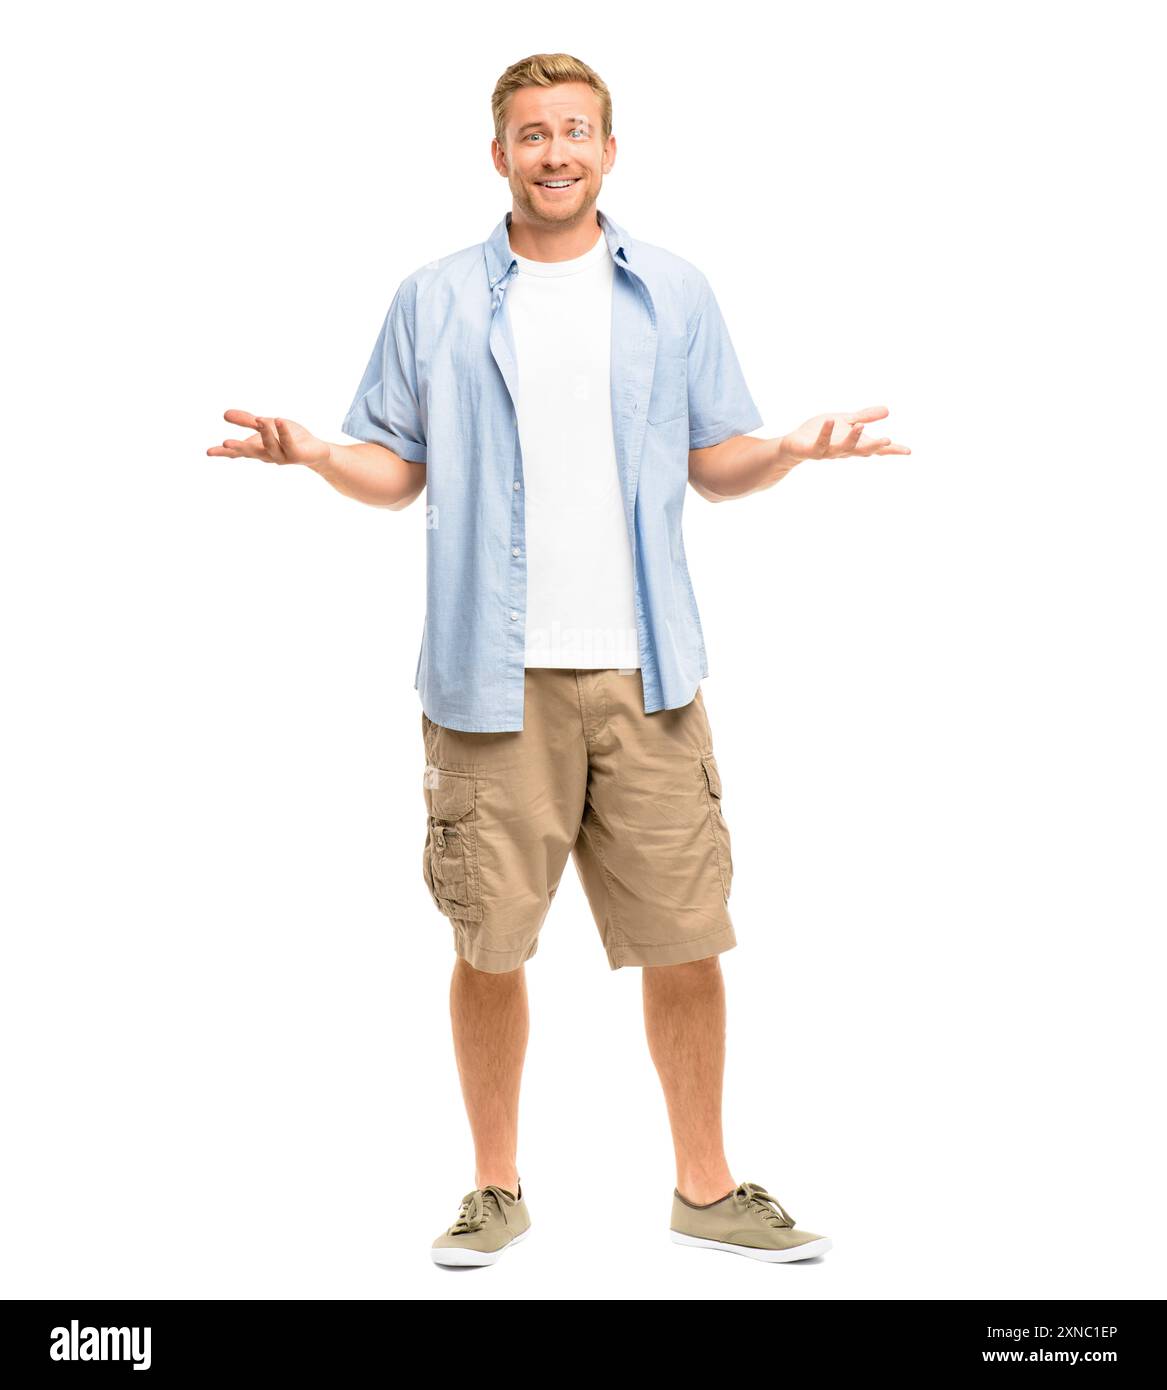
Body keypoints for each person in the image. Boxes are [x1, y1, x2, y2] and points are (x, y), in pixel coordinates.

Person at [208, 51, 910, 1269]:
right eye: (530, 134)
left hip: (650, 677)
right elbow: (396, 469)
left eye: (575, 131)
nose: (555, 153)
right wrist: (319, 455)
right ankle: (494, 1188)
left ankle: (706, 1187)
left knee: (686, 934)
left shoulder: (674, 292)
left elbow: (717, 459)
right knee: (490, 942)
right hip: (490, 682)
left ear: (609, 150)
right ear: (499, 155)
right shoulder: (433, 299)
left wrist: (788, 449)